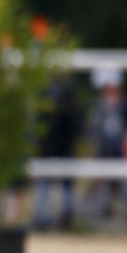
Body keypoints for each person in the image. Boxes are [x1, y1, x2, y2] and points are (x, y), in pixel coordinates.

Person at [85, 65, 127, 225]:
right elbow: (93, 131)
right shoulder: (99, 107)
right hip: (104, 152)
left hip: (123, 153)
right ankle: (103, 217)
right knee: (102, 185)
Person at [32, 74, 81, 230]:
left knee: (64, 184)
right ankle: (43, 218)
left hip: (63, 147)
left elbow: (74, 125)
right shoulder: (45, 95)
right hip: (49, 147)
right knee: (45, 182)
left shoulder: (68, 96)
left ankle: (65, 217)